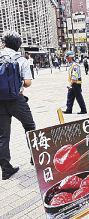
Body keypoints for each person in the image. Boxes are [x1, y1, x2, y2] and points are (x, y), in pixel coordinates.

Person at [0, 30, 36, 180]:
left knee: (3, 136)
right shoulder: (21, 60)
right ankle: (36, 157)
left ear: (4, 42)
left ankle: (6, 170)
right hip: (17, 100)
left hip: (0, 102)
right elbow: (28, 83)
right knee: (30, 127)